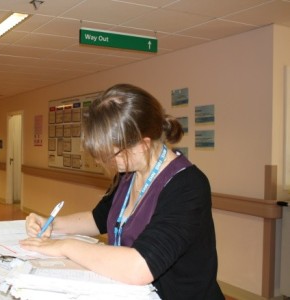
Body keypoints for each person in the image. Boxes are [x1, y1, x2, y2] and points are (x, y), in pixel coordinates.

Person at [20, 83, 224, 300]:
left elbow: (140, 266)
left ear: (143, 144)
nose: (106, 162)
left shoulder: (187, 186)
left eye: (111, 154)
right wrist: (51, 223)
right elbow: (98, 219)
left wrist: (65, 246)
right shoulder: (128, 172)